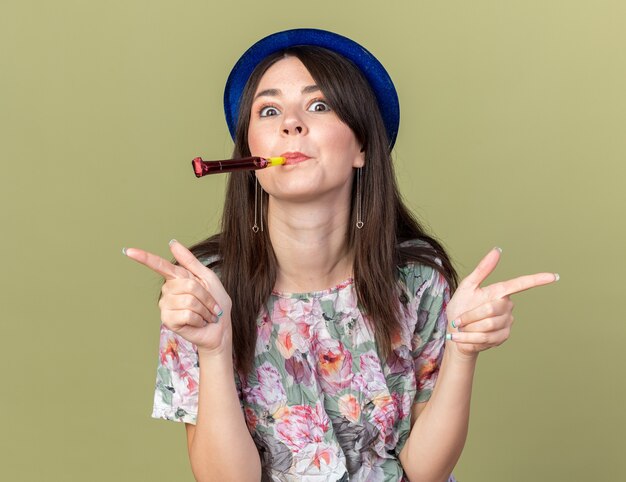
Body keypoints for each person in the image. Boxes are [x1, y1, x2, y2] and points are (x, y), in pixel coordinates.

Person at [123, 29, 558, 482]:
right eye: (269, 111)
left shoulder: (417, 280)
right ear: (249, 152)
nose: (291, 124)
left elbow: (424, 473)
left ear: (363, 146)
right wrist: (213, 349)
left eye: (318, 105)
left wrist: (462, 351)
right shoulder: (203, 290)